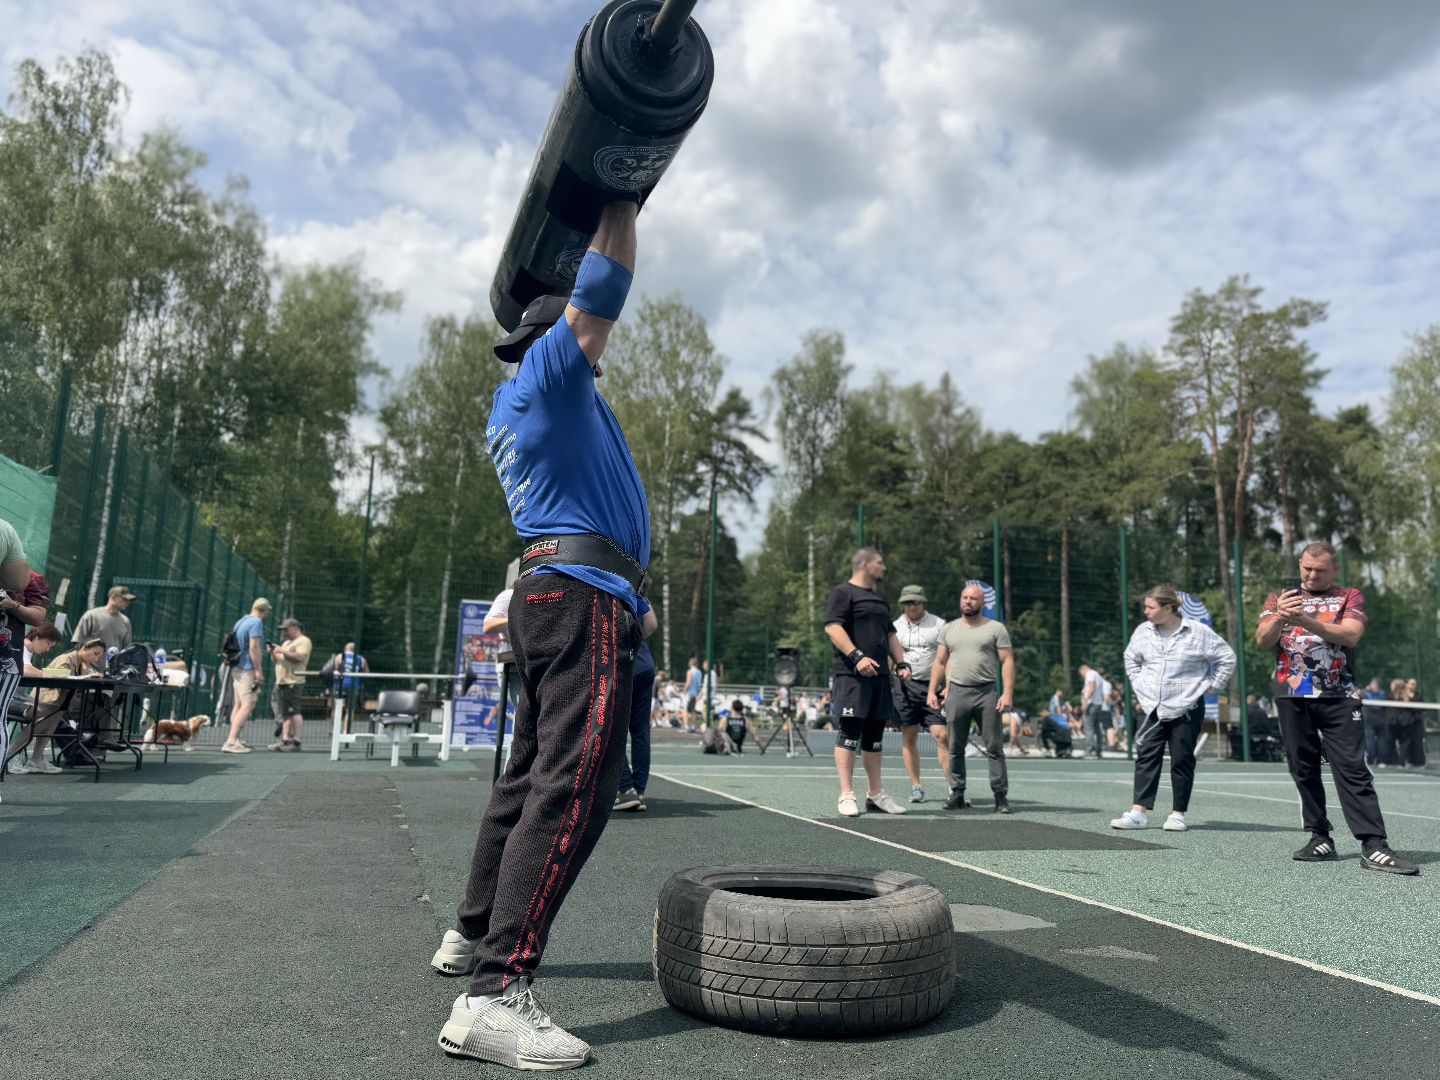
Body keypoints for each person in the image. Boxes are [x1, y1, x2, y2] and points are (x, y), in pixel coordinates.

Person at [431, 197, 658, 1071]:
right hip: (576, 601)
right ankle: (493, 994)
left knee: (529, 777)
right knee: (571, 789)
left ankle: (471, 933)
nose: (590, 354)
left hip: (566, 593)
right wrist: (626, 191)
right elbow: (602, 289)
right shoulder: (546, 382)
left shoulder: (537, 410)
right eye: (570, 338)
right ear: (550, 345)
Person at [1258, 542, 1416, 874]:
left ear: (1335, 570)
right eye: (1306, 568)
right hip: (1291, 696)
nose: (1312, 575)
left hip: (1339, 697)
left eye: (1320, 570)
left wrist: (1304, 620)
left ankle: (1374, 845)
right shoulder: (1279, 598)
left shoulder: (1349, 596)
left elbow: (1350, 635)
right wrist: (1279, 617)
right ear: (1300, 565)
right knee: (1303, 768)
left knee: (1352, 769)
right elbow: (1262, 640)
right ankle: (1320, 838)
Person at [1110, 586, 1235, 832]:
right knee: (1146, 757)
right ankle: (1138, 813)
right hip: (1151, 707)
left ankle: (1178, 814)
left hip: (1187, 706)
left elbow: (1226, 657)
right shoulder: (1143, 632)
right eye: (1145, 607)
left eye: (1151, 607)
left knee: (1182, 759)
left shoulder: (1198, 632)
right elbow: (1130, 659)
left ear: (1168, 608)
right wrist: (1139, 686)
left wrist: (1211, 687)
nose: (1145, 612)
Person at [823, 547, 909, 818]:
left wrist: (901, 662)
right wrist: (857, 656)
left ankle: (875, 795)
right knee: (850, 733)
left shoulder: (879, 599)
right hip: (852, 677)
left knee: (874, 737)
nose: (884, 567)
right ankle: (846, 794)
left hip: (881, 677)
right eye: (880, 563)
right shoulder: (843, 593)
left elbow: (890, 634)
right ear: (864, 565)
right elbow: (832, 628)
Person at [928, 583, 1016, 813]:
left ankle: (1000, 797)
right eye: (965, 597)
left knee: (994, 747)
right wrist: (931, 691)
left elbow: (1007, 661)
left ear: (983, 603)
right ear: (960, 601)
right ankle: (957, 794)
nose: (968, 601)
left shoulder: (996, 629)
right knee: (955, 747)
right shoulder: (949, 629)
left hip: (986, 693)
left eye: (974, 598)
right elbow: (939, 662)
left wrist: (1007, 693)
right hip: (957, 693)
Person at [8, 634, 104, 775]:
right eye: (95, 654)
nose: (95, 659)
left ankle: (35, 759)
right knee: (52, 714)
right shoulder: (66, 659)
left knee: (56, 713)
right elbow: (56, 678)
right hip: (40, 701)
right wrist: (81, 676)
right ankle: (11, 755)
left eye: (98, 657)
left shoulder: (79, 662)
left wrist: (85, 672)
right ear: (84, 648)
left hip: (54, 704)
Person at [890, 584, 949, 803]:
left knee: (941, 735)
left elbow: (947, 658)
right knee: (909, 735)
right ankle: (916, 787)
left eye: (915, 602)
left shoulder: (939, 624)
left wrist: (948, 685)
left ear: (923, 602)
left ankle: (954, 787)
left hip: (931, 688)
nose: (911, 606)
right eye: (907, 602)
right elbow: (891, 656)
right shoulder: (895, 626)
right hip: (904, 688)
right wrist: (897, 668)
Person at [0, 516, 33, 782]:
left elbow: (37, 617)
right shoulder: (5, 529)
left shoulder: (36, 584)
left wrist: (13, 606)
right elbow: (19, 580)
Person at [222, 597, 271, 754]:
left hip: (236, 667)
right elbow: (254, 647)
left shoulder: (241, 621)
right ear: (265, 610)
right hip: (247, 668)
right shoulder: (256, 623)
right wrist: (258, 670)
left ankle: (235, 739)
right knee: (249, 704)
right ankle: (231, 741)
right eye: (268, 611)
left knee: (238, 704)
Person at [614, 638, 657, 812]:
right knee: (641, 732)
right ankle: (639, 791)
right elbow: (652, 622)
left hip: (620, 664)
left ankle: (626, 788)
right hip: (644, 663)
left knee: (612, 731)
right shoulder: (640, 608)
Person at [266, 617, 313, 752]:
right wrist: (274, 652)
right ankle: (285, 740)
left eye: (286, 630)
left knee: (294, 711)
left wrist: (282, 650)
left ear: (295, 628)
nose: (284, 633)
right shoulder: (286, 642)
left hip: (294, 681)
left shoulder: (304, 641)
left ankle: (296, 741)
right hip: (282, 682)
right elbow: (279, 660)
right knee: (285, 713)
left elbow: (299, 658)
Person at [71, 585, 136, 650]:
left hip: (115, 660)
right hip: (90, 660)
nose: (127, 602)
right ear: (113, 597)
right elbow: (78, 641)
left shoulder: (126, 621)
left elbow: (126, 649)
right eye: (124, 599)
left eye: (128, 600)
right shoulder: (92, 615)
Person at [1078, 662, 1106, 758]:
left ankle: (1090, 750)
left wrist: (1086, 701)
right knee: (1097, 728)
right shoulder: (1098, 675)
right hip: (1098, 704)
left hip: (1092, 704)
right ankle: (1099, 750)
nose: (1082, 676)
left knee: (1089, 728)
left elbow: (1092, 688)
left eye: (1081, 674)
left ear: (1083, 670)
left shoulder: (1090, 674)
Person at [683, 657, 702, 729]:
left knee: (684, 710)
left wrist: (684, 691)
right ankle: (693, 726)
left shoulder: (690, 671)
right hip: (695, 693)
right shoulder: (699, 672)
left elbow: (688, 683)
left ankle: (686, 726)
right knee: (693, 711)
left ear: (690, 663)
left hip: (689, 693)